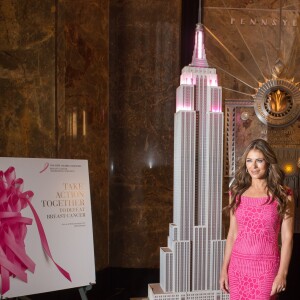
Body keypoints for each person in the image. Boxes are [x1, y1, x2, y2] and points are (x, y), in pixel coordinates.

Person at [219, 138, 294, 299]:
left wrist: (282, 273)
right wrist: (224, 269)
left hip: (267, 268)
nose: (253, 166)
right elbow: (232, 234)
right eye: (249, 161)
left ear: (268, 162)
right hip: (238, 267)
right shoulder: (236, 193)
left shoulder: (284, 195)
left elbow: (287, 238)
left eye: (259, 161)